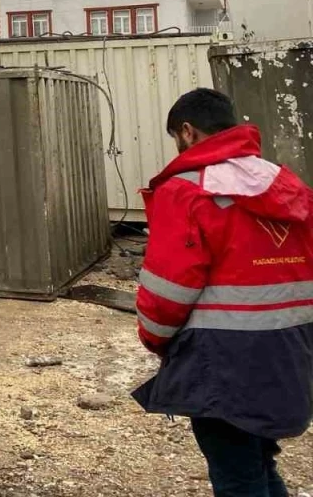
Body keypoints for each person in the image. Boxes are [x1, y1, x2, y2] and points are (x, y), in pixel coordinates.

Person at [134, 87, 313, 497]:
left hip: (223, 361)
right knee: (256, 465)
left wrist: (155, 339)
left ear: (187, 131)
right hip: (291, 353)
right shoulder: (284, 183)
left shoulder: (185, 189)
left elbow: (167, 293)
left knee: (237, 478)